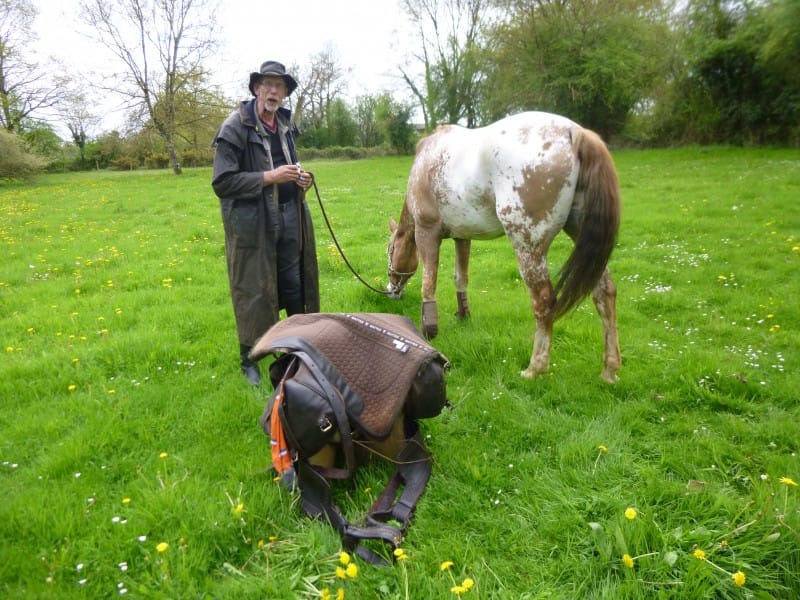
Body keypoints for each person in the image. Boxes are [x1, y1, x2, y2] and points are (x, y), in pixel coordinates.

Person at [212, 60, 320, 386]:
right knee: (254, 288)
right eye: (268, 84)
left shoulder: (285, 126)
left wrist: (304, 180)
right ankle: (250, 358)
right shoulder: (235, 127)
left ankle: (293, 348)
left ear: (285, 93)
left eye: (279, 86)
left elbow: (292, 166)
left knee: (293, 283)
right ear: (257, 88)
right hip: (252, 225)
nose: (273, 91)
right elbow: (223, 182)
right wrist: (269, 177)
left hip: (291, 215)